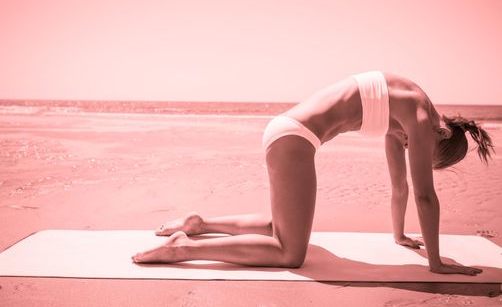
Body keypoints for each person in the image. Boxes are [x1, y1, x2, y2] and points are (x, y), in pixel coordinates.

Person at [132, 71, 493, 275]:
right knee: (290, 253)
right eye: (421, 151)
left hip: (287, 133)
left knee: (283, 227)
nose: (411, 149)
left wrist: (399, 237)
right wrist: (436, 263)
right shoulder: (418, 115)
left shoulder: (406, 106)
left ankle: (201, 224)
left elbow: (399, 185)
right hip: (294, 139)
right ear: (441, 133)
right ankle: (184, 248)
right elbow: (424, 194)